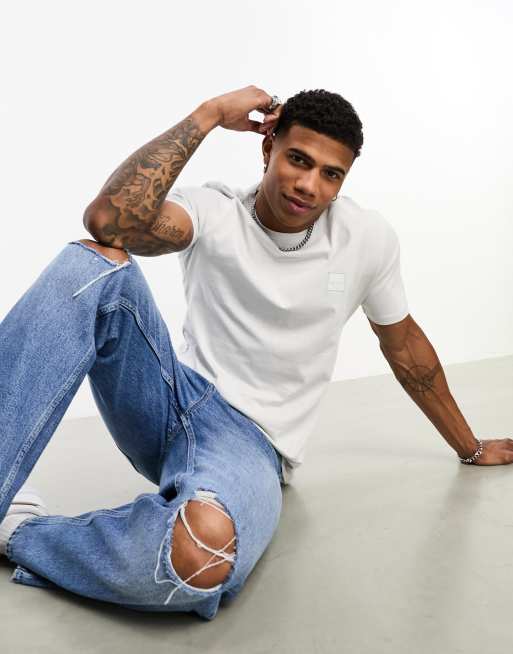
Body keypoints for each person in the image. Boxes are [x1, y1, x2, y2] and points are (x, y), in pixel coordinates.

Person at [0, 85, 511, 621]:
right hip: (165, 397)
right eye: (298, 160)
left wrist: (470, 447)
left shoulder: (366, 239)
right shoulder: (214, 209)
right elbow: (108, 222)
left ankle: (22, 530)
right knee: (92, 264)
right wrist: (208, 115)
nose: (309, 185)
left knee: (199, 559)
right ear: (268, 149)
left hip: (250, 442)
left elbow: (404, 347)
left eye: (331, 174)